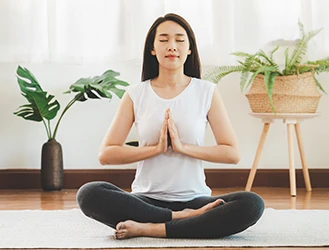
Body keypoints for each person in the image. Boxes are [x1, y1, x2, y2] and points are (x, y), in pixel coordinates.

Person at [76, 13, 264, 240]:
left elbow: (232, 153)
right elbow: (107, 154)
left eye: (179, 40)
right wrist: (156, 149)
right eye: (163, 40)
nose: (172, 46)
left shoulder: (206, 92)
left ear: (190, 49)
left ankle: (151, 228)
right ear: (153, 49)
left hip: (195, 199)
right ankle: (181, 219)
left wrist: (182, 147)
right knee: (89, 193)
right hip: (145, 200)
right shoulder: (136, 94)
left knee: (251, 204)